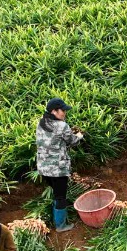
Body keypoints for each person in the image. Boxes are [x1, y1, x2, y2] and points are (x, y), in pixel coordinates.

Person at [36, 98, 85, 233]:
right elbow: (72, 141)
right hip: (57, 169)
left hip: (43, 168)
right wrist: (79, 136)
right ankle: (60, 225)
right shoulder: (62, 126)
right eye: (62, 110)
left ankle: (56, 216)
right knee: (60, 196)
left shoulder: (41, 123)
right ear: (54, 111)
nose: (64, 113)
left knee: (57, 193)